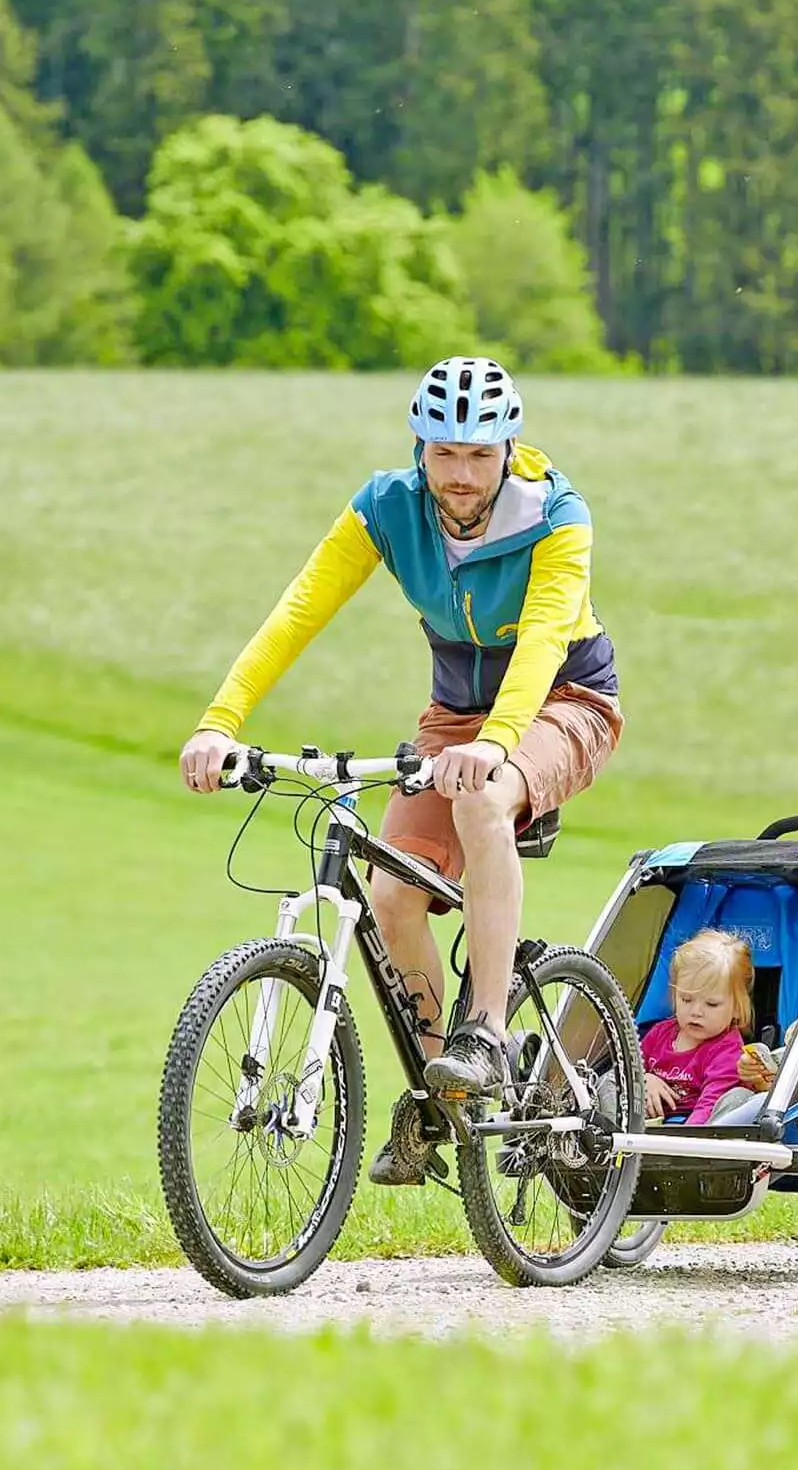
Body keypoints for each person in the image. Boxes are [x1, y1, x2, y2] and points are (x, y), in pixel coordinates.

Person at [179, 355, 623, 1187]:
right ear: (419, 449)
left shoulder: (557, 515)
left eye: (480, 454)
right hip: (454, 717)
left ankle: (486, 1030)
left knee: (484, 801)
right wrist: (220, 722)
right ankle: (439, 1088)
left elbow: (539, 648)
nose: (461, 475)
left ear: (508, 449)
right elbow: (298, 611)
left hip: (564, 700)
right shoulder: (386, 508)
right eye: (444, 454)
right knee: (391, 895)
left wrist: (495, 748)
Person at [642, 929, 762, 1126]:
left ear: (737, 1009)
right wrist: (644, 1078)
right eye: (687, 999)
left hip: (697, 1130)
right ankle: (606, 1136)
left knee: (738, 1097)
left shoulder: (728, 1050)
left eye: (711, 1004)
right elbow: (628, 1067)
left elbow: (708, 1105)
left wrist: (685, 1141)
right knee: (610, 1080)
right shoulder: (660, 1033)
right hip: (644, 1121)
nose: (696, 1011)